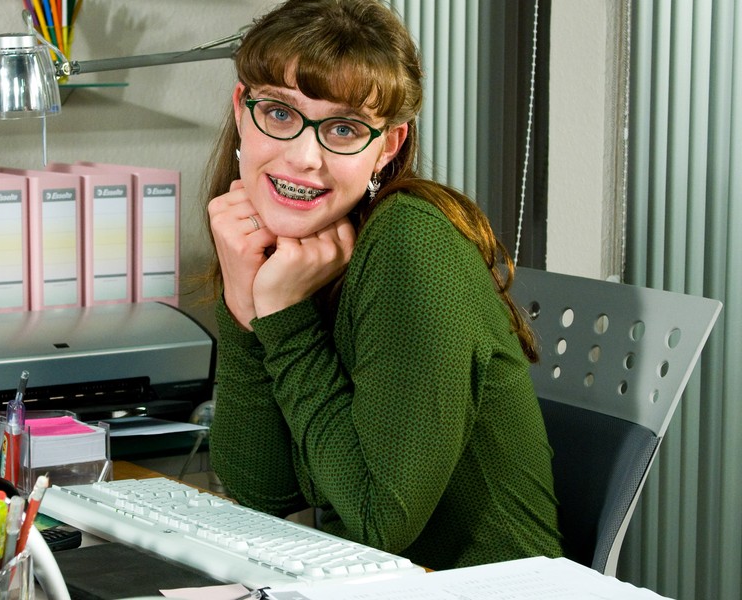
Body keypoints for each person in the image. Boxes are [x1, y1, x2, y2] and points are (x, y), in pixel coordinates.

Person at [205, 0, 563, 570]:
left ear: (388, 146)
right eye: (278, 113)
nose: (304, 157)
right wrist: (244, 306)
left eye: (343, 128)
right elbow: (262, 493)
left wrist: (285, 323)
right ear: (241, 110)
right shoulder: (298, 256)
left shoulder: (411, 242)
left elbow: (379, 519)